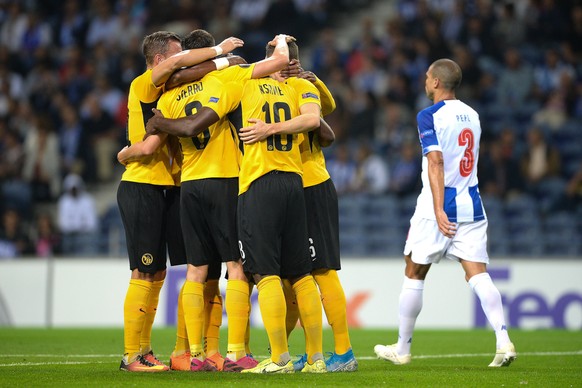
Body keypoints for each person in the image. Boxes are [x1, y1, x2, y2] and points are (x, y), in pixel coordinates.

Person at [146, 38, 325, 374]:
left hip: (194, 185)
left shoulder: (174, 96)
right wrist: (278, 45)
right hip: (248, 180)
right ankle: (243, 351)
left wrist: (155, 124)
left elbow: (172, 133)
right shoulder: (283, 85)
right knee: (258, 269)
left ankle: (194, 352)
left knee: (196, 272)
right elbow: (318, 123)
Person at [373, 59, 517, 367]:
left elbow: (436, 162)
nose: (425, 82)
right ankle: (504, 341)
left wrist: (438, 209)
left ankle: (402, 348)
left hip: (437, 206)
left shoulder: (429, 115)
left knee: (414, 271)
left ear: (437, 82)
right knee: (478, 274)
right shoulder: (474, 115)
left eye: (427, 77)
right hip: (472, 203)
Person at [116, 30, 243, 373]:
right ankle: (132, 356)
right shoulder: (144, 84)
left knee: (163, 272)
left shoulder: (169, 96)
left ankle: (167, 352)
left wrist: (224, 61)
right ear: (161, 62)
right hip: (144, 185)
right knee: (144, 271)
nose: (184, 65)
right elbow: (147, 147)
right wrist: (221, 52)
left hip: (173, 189)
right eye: (176, 58)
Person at [242, 64, 358, 372]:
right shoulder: (296, 90)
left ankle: (342, 350)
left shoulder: (294, 88)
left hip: (310, 184)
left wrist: (310, 79)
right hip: (295, 185)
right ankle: (300, 352)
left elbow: (326, 126)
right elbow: (327, 112)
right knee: (292, 277)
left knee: (320, 270)